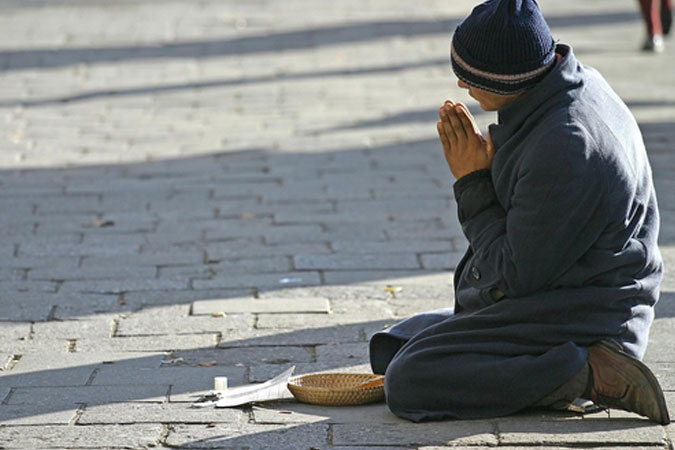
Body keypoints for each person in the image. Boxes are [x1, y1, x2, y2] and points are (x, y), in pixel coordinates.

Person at [369, 0, 670, 425]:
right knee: (392, 344)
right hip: (561, 287)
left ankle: (589, 374)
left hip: (590, 314)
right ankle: (539, 367)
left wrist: (473, 183)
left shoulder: (567, 144)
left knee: (410, 380)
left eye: (471, 76)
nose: (460, 82)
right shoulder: (560, 88)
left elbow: (515, 276)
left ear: (507, 78)